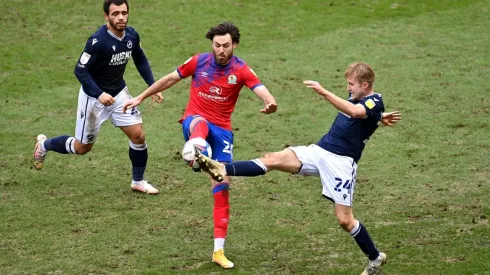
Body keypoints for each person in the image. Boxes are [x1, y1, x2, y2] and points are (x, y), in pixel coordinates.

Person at [195, 62, 402, 275]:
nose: (348, 88)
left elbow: (355, 112)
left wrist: (324, 92)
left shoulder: (374, 100)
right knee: (273, 158)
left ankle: (375, 258)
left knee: (345, 220)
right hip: (319, 151)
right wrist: (377, 119)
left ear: (365, 84)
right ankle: (222, 168)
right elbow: (361, 115)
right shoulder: (360, 99)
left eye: (351, 84)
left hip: (341, 164)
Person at [122, 22, 277, 268]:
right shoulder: (199, 61)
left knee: (222, 184)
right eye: (217, 45)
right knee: (199, 126)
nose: (221, 50)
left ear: (234, 44)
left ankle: (218, 251)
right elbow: (169, 79)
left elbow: (262, 90)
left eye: (226, 45)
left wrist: (270, 103)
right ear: (212, 45)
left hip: (222, 132)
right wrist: (142, 95)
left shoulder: (242, 69)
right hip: (195, 121)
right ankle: (196, 151)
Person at [33, 0, 162, 195]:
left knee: (138, 135)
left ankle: (138, 181)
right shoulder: (97, 41)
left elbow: (140, 59)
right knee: (82, 148)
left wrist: (153, 86)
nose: (121, 17)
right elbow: (80, 70)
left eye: (124, 13)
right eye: (116, 13)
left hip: (119, 94)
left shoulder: (132, 36)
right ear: (106, 16)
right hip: (94, 98)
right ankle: (43, 145)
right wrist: (99, 94)